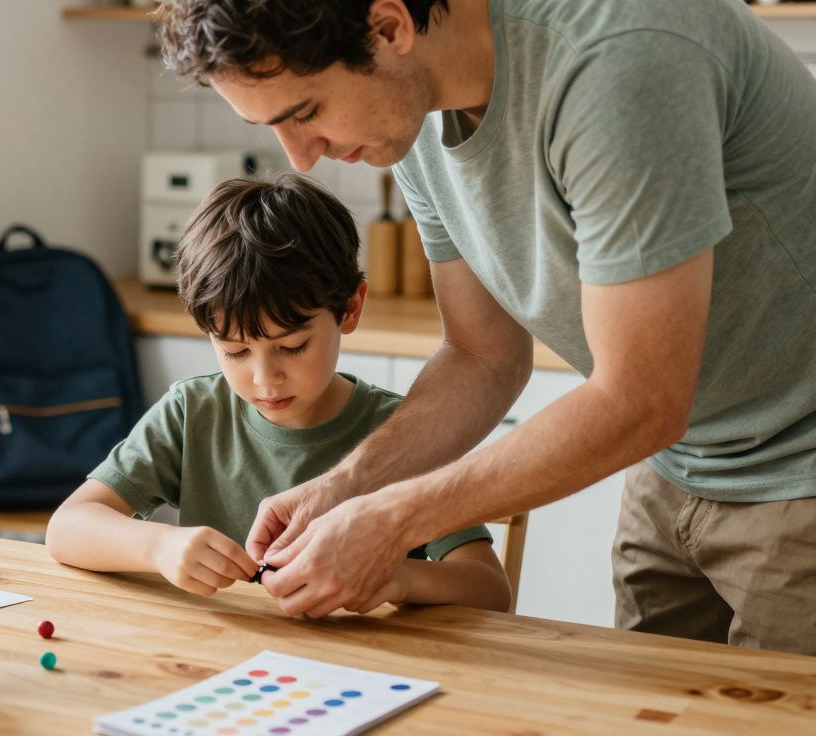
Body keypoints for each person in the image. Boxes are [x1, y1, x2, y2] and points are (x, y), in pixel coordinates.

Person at [157, 0, 816, 667]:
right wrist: (342, 489)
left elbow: (641, 397)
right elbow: (482, 356)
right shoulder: (408, 116)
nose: (302, 157)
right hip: (677, 462)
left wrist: (394, 520)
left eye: (306, 112)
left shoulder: (617, 57)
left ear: (389, 27)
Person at [46, 173, 511, 613]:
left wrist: (395, 578)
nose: (265, 379)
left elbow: (489, 589)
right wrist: (160, 546)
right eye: (234, 352)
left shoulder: (405, 436)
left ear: (350, 309)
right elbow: (67, 527)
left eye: (292, 347)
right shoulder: (192, 413)